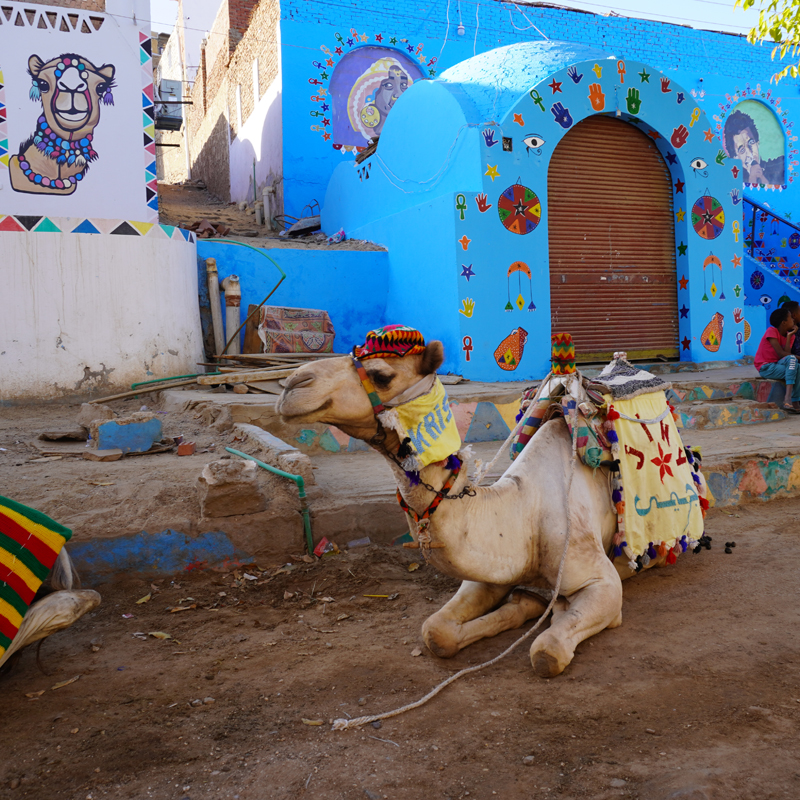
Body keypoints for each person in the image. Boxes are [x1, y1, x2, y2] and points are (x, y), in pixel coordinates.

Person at [754, 306, 800, 412]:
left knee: (798, 366)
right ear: (784, 322)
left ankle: (795, 400)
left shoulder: (791, 336)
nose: (793, 320)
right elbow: (780, 353)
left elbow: (787, 354)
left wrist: (789, 336)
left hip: (778, 365)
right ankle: (788, 399)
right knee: (793, 360)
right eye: (790, 318)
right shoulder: (771, 331)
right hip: (766, 367)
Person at [724, 109, 785, 186]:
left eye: (751, 142)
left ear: (757, 143)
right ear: (735, 157)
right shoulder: (732, 181)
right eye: (742, 150)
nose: (750, 153)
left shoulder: (779, 167)